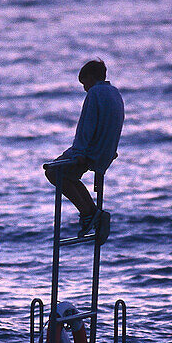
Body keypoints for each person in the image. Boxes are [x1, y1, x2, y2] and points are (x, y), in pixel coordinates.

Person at [43, 59, 125, 238]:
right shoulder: (114, 92)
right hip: (105, 151)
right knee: (68, 176)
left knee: (52, 172)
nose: (84, 88)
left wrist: (79, 152)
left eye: (84, 83)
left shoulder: (95, 92)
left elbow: (86, 125)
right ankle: (93, 213)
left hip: (91, 151)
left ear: (90, 77)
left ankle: (89, 213)